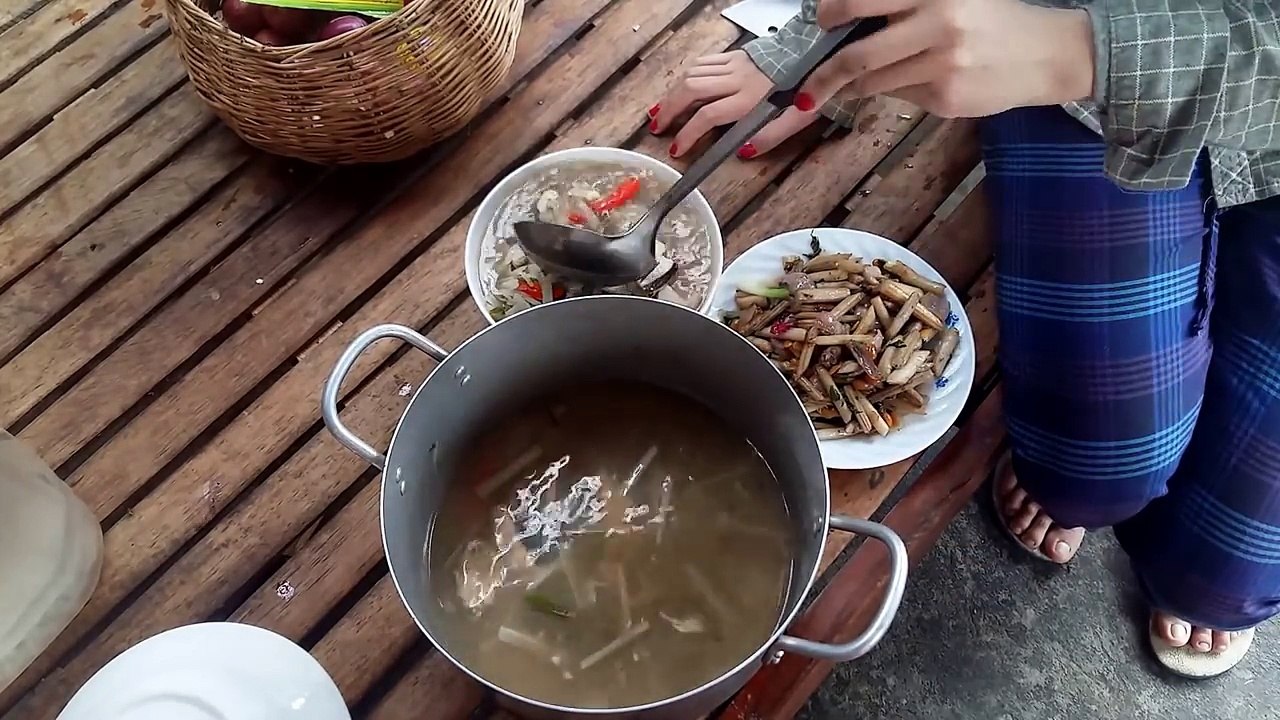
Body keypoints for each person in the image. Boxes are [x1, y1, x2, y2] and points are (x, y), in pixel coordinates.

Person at [652, 0, 1280, 678]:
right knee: (1095, 471)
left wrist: (1091, 53)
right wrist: (820, 45)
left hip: (1202, 86)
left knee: (1219, 583)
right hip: (1079, 63)